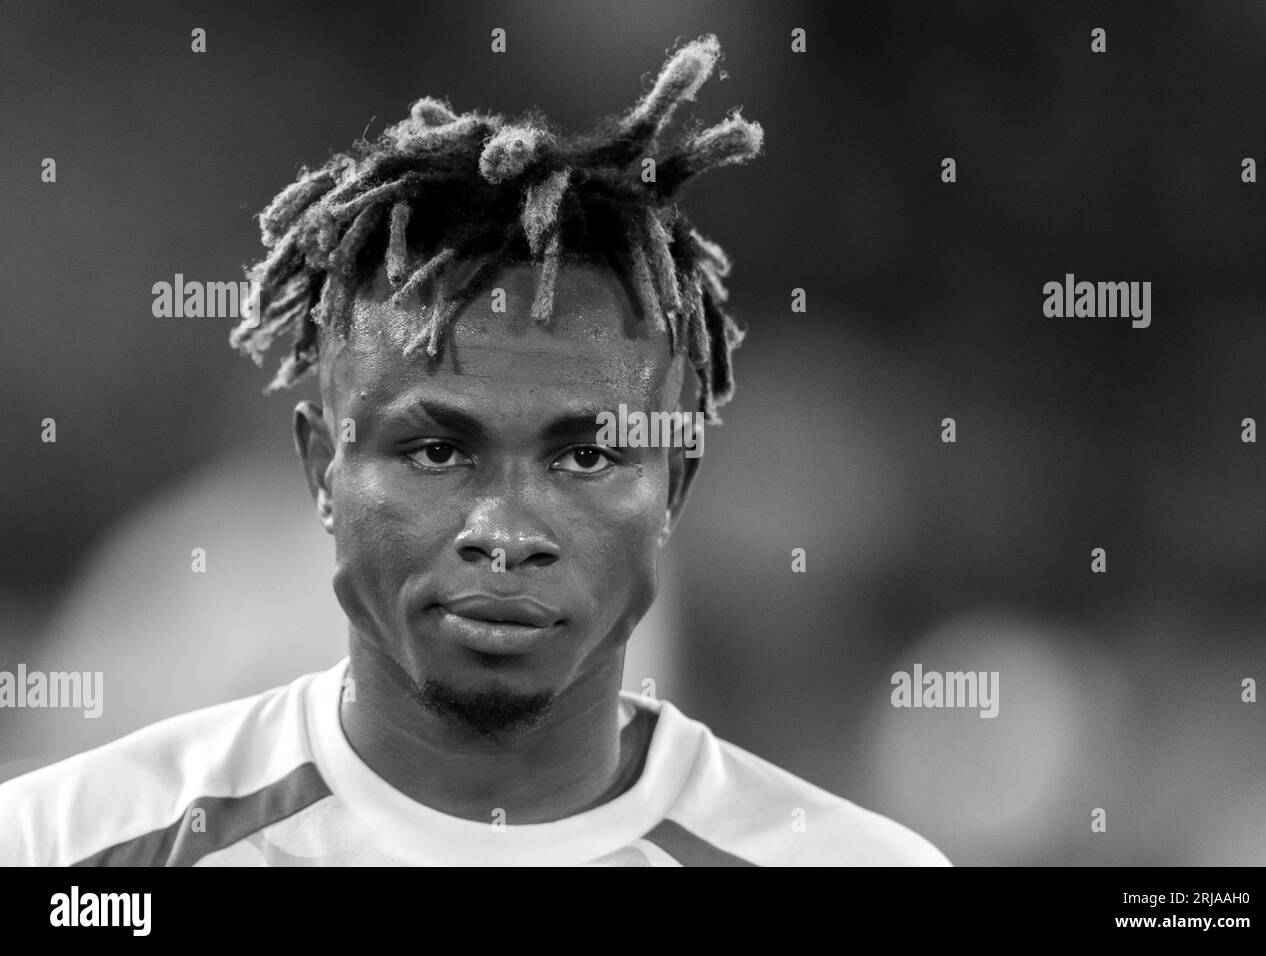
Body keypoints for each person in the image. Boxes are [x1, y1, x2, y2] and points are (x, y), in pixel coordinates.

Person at [0, 35, 949, 866]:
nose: (506, 534)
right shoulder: (65, 849)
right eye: (436, 452)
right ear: (320, 472)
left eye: (585, 459)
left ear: (676, 484)